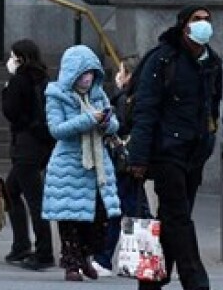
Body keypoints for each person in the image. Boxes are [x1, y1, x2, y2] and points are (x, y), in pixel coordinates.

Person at [126, 5, 223, 290]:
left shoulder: (212, 62)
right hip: (166, 150)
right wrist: (139, 158)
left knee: (172, 220)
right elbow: (145, 110)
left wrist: (207, 141)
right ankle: (196, 281)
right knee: (178, 216)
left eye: (207, 19)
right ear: (184, 25)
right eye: (197, 20)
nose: (203, 24)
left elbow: (212, 108)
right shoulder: (162, 60)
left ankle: (151, 281)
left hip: (194, 152)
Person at [42, 44, 122, 282]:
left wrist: (106, 122)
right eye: (83, 73)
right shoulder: (56, 95)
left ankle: (87, 257)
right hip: (69, 164)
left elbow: (114, 124)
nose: (87, 78)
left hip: (97, 166)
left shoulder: (98, 95)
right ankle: (72, 263)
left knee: (99, 217)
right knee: (70, 219)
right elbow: (57, 129)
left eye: (91, 73)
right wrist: (89, 119)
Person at [0, 39, 56, 271]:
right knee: (10, 190)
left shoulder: (19, 81)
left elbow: (11, 112)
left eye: (13, 56)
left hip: (26, 146)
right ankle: (21, 244)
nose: (10, 61)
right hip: (42, 144)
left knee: (35, 200)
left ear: (20, 58)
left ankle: (44, 253)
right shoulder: (43, 79)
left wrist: (6, 89)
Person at [92, 54, 149, 277]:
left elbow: (121, 128)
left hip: (123, 163)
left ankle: (105, 258)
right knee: (135, 209)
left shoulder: (127, 100)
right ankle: (143, 257)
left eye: (122, 71)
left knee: (119, 209)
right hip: (130, 162)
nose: (118, 76)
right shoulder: (136, 99)